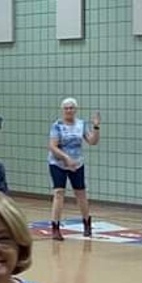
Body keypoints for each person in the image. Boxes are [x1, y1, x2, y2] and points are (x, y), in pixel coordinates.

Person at [47, 98, 101, 240]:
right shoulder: (57, 126)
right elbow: (52, 146)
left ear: (75, 110)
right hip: (58, 163)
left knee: (80, 193)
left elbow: (92, 141)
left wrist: (96, 127)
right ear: (62, 110)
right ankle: (55, 227)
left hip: (76, 164)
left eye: (71, 108)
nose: (69, 110)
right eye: (66, 108)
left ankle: (87, 223)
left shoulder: (81, 124)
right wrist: (66, 158)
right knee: (59, 192)